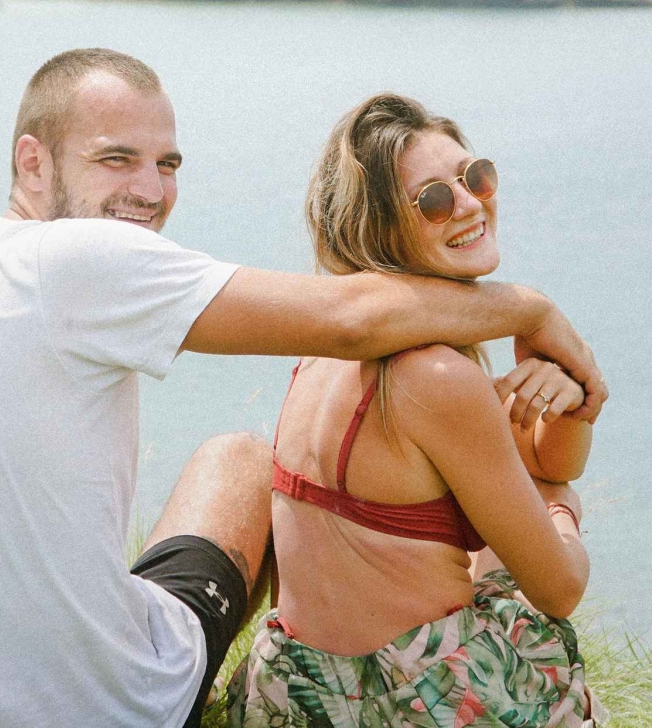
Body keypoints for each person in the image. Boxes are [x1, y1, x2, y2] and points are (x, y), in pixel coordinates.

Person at [0, 50, 606, 728]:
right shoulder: (85, 255)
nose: (151, 190)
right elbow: (353, 320)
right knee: (239, 461)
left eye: (167, 163)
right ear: (33, 161)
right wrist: (531, 310)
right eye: (116, 159)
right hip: (108, 708)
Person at [228, 93, 603, 727]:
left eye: (474, 176)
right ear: (378, 228)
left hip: (300, 693)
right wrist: (562, 509)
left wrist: (570, 407)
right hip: (412, 701)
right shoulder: (436, 378)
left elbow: (542, 459)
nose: (469, 204)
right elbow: (560, 587)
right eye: (432, 200)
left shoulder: (322, 356)